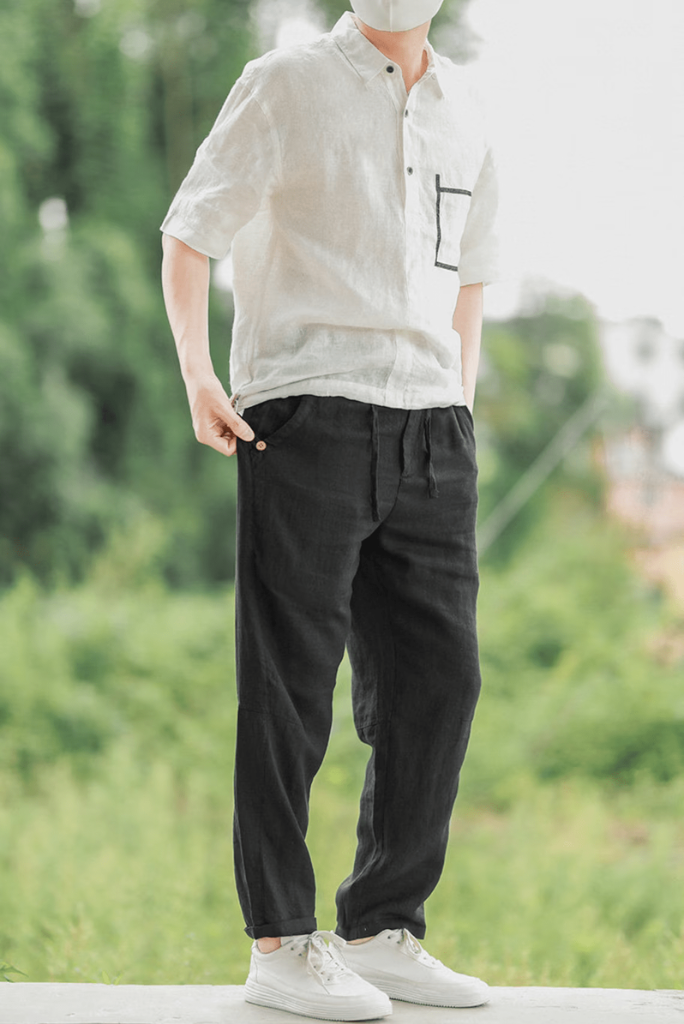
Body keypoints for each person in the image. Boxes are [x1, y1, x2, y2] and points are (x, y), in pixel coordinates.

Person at [161, 0, 500, 1018]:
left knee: (440, 681)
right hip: (306, 410)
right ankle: (277, 940)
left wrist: (460, 402)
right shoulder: (285, 82)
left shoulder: (467, 108)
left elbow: (471, 276)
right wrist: (198, 374)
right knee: (289, 688)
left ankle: (381, 927)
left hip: (431, 423)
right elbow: (190, 231)